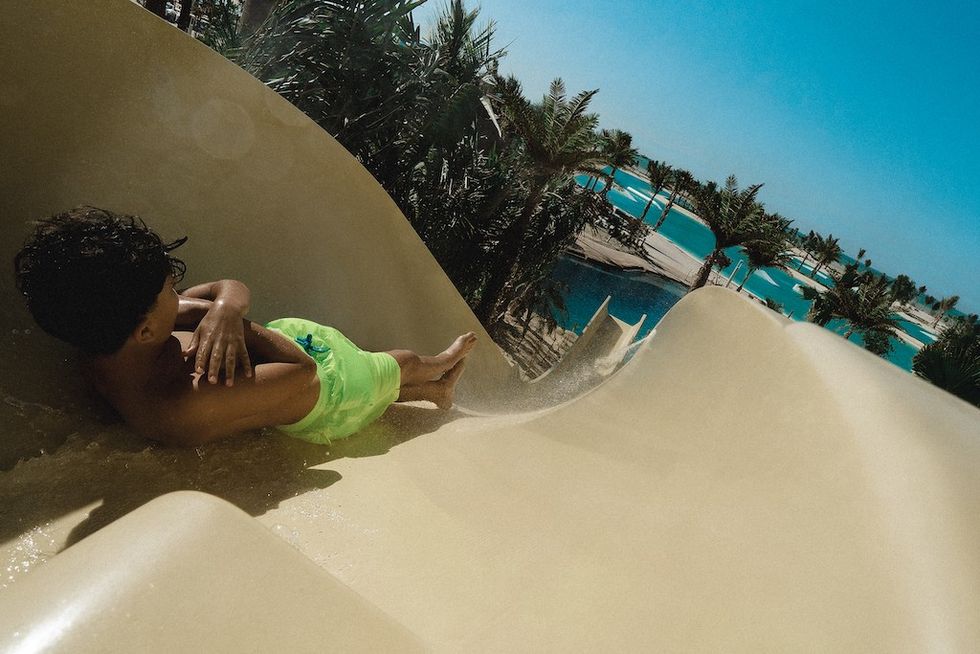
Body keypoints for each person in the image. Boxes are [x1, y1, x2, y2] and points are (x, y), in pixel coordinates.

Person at [13, 206, 477, 446]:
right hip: (331, 396)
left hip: (278, 362)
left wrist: (225, 312)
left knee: (388, 378)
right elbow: (302, 372)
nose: (182, 296)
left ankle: (431, 392)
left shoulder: (105, 342)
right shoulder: (186, 402)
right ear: (146, 331)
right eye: (170, 292)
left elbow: (223, 289)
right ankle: (442, 367)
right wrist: (217, 313)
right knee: (397, 362)